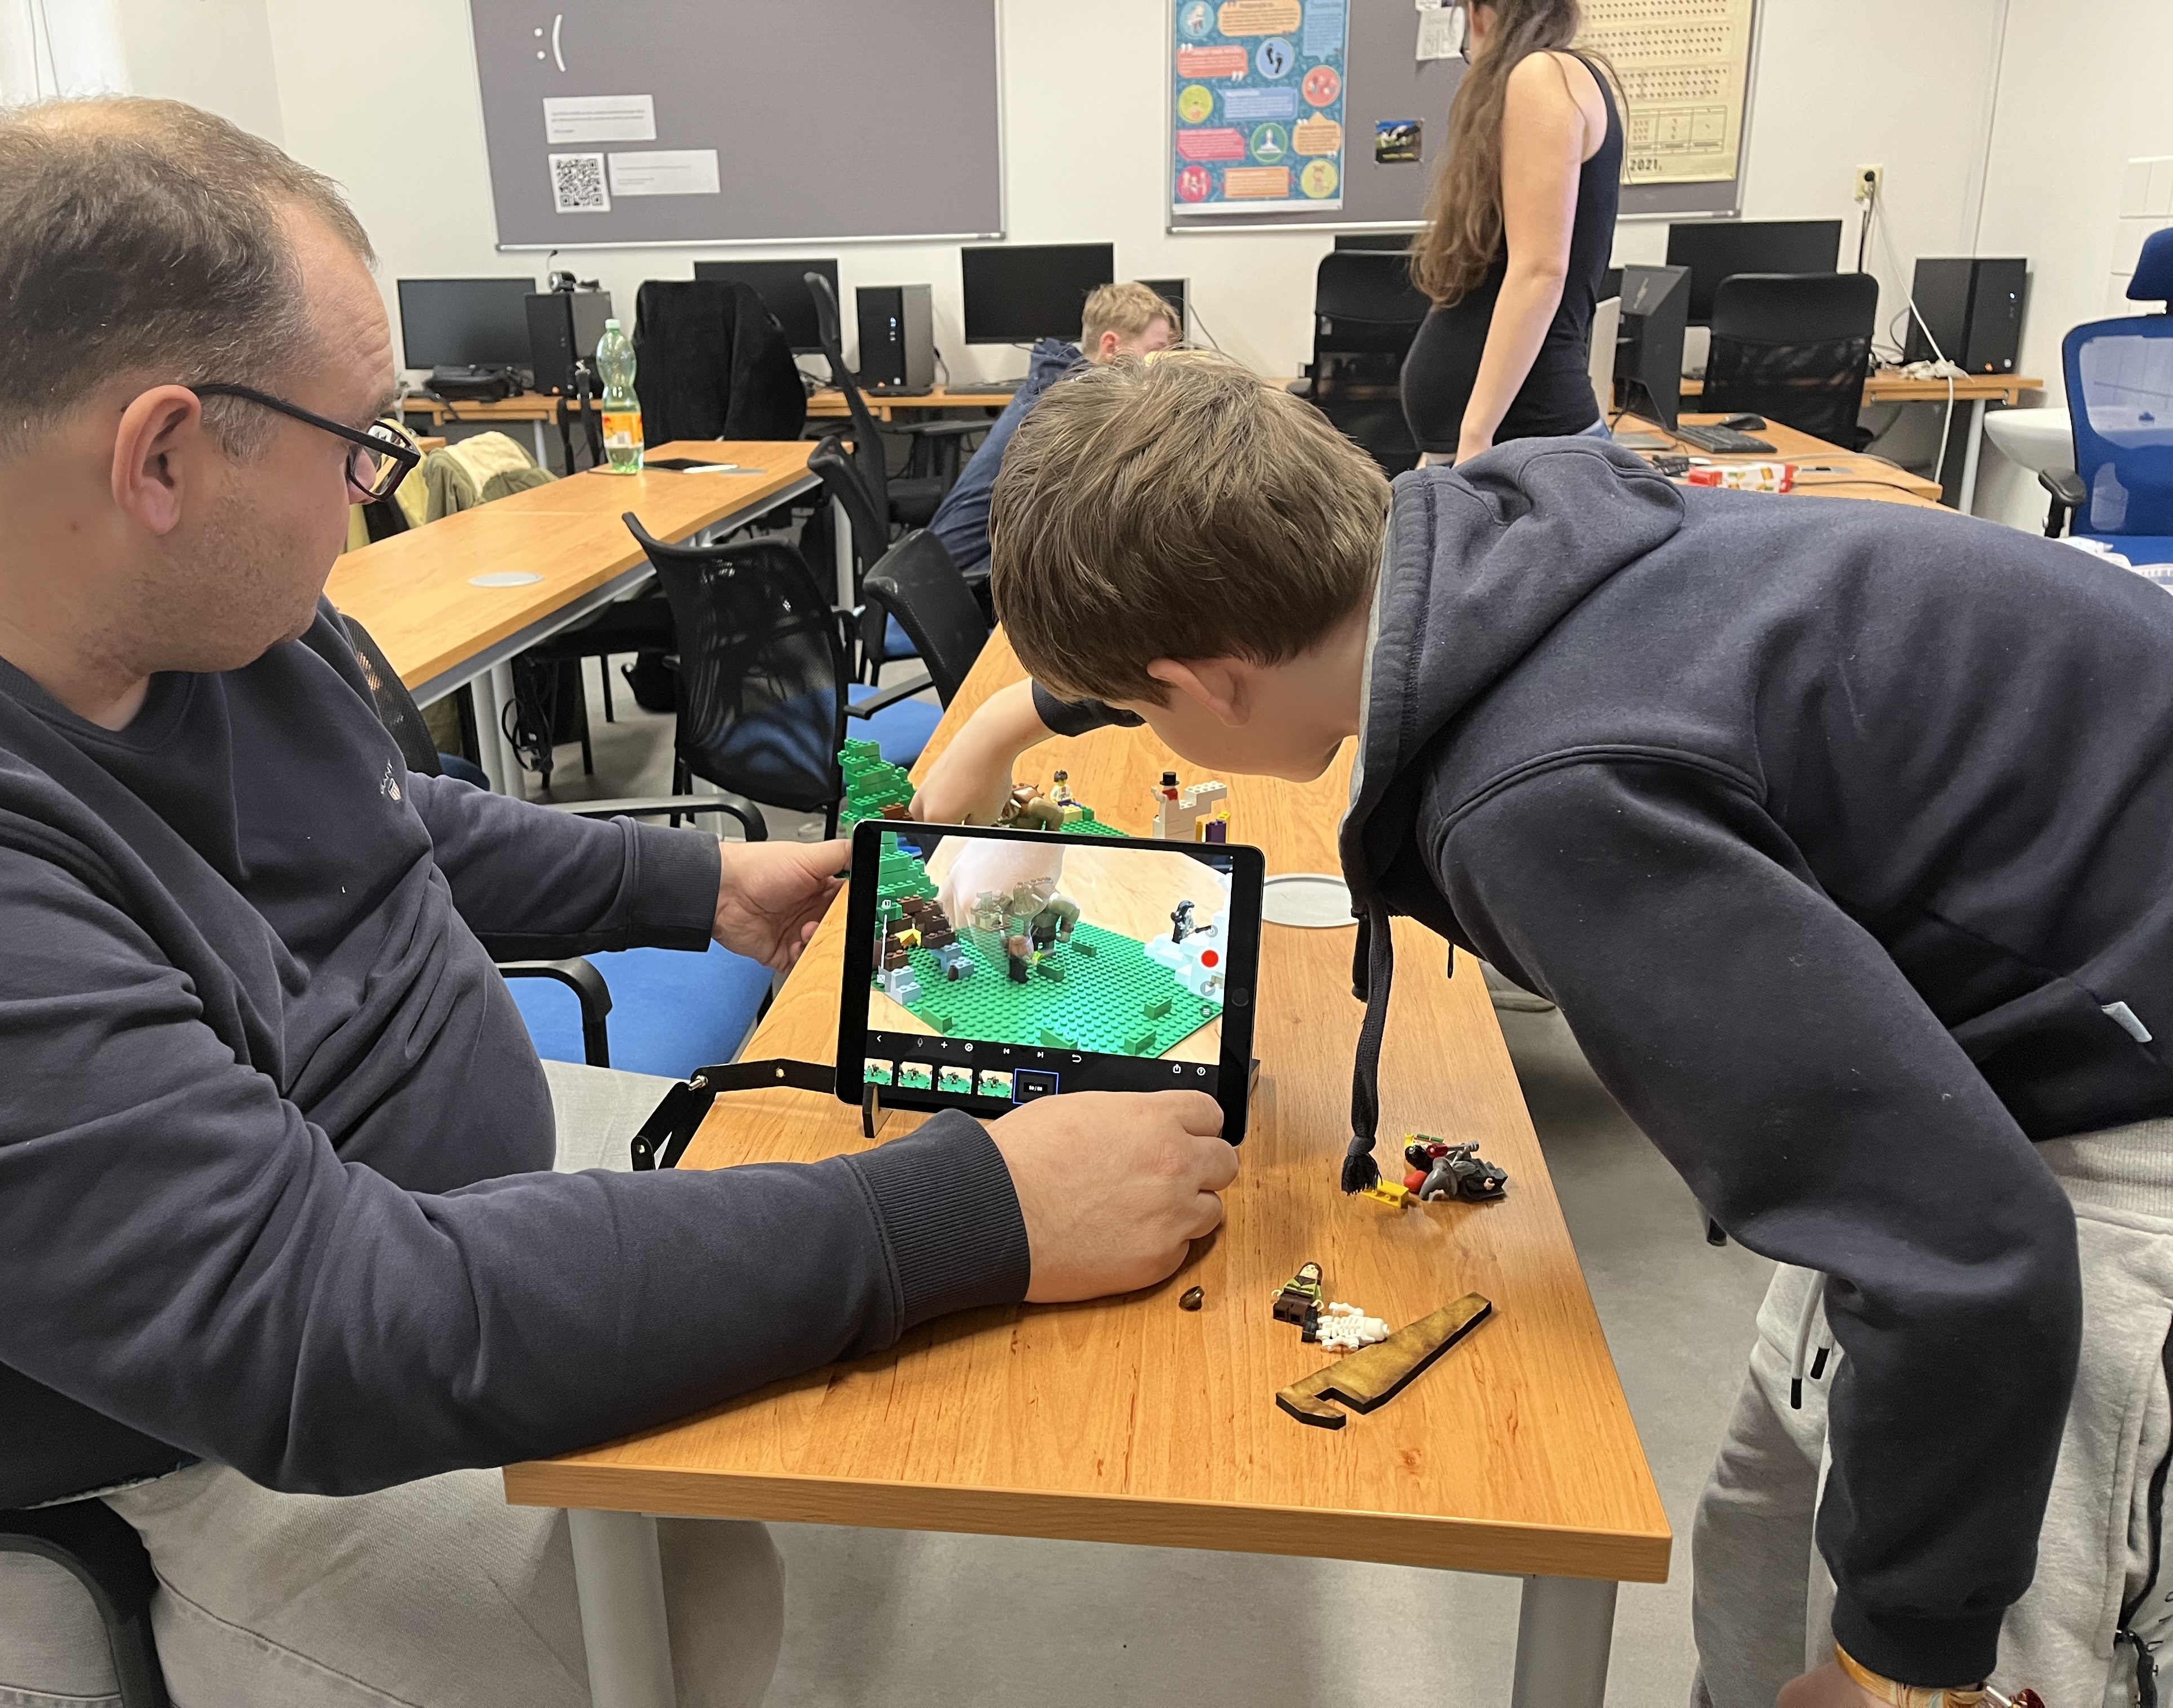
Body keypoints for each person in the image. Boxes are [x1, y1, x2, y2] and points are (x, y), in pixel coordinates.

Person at [0, 101, 1236, 1708]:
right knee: (681, 1610)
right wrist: (972, 1216)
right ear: (162, 458)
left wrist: (703, 882)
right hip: (183, 1437)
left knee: (846, 1348)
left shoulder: (192, 614)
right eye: (362, 445)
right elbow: (318, 1324)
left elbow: (390, 821)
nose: (371, 493)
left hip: (422, 1215)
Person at [915, 352, 2173, 1708]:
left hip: (2111, 1113)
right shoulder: (1492, 529)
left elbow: (1967, 1250)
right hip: (2005, 1021)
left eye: (1139, 703)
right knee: (1767, 1543)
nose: (1138, 719)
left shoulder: (1543, 794)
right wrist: (1003, 723)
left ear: (1206, 682)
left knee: (1964, 1634)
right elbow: (1216, 611)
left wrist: (1904, 1667)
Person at [1397, 0, 1622, 464]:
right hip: (1499, 448)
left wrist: (1476, 436)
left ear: (1480, 14)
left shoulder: (1542, 75)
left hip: (1519, 449)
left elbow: (1540, 271)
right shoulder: (1555, 76)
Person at [926, 280, 1179, 581]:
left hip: (966, 565)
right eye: (1156, 352)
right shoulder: (1069, 407)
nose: (1162, 366)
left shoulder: (1061, 380)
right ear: (1111, 347)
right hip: (969, 578)